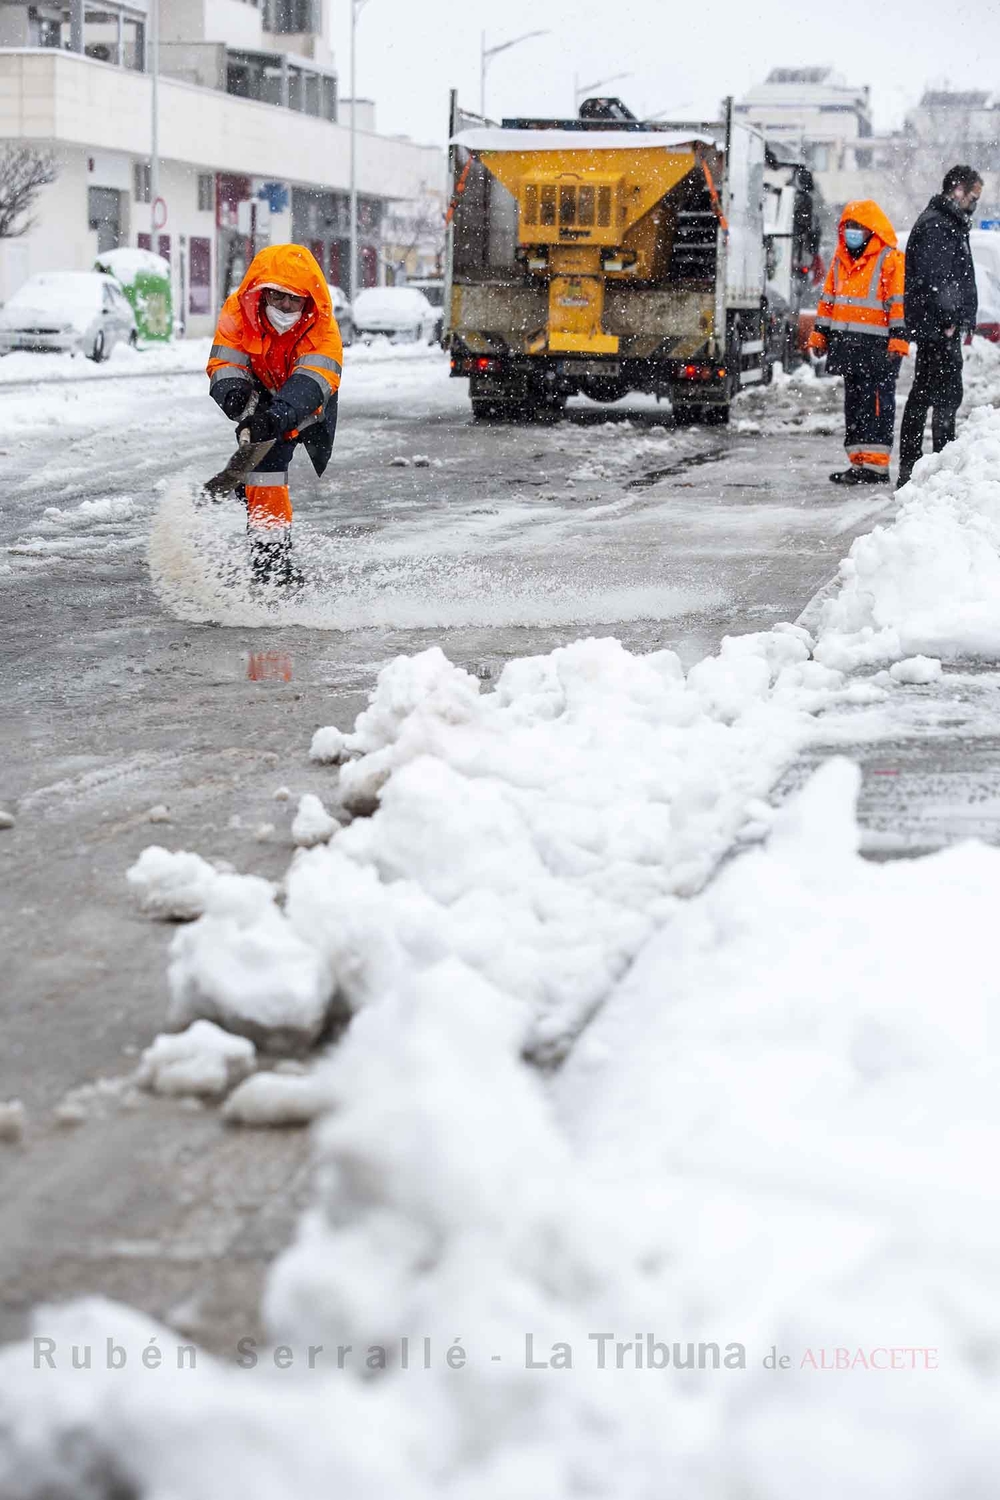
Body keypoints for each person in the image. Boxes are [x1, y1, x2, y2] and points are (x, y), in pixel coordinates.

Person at [207, 244, 343, 585]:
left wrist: (277, 417)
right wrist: (236, 397)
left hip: (305, 403)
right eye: (278, 296)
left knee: (265, 464)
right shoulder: (238, 312)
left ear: (308, 300)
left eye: (294, 299)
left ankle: (272, 564)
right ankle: (271, 564)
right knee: (265, 471)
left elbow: (311, 383)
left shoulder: (322, 329)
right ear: (262, 292)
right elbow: (226, 363)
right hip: (259, 391)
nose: (285, 306)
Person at [808, 200, 909, 484]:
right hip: (848, 345)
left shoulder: (890, 260)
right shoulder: (840, 261)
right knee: (854, 405)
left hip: (878, 348)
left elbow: (898, 305)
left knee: (876, 404)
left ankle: (876, 467)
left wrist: (899, 340)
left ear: (871, 230)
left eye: (857, 227)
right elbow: (828, 301)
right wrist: (819, 335)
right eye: (848, 226)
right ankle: (859, 462)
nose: (851, 232)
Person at [897, 165, 981, 489]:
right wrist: (948, 320)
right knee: (942, 396)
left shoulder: (945, 222)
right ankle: (932, 466)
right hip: (938, 328)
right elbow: (938, 278)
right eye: (973, 196)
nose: (974, 203)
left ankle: (916, 465)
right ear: (957, 190)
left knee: (927, 393)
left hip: (936, 326)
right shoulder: (938, 225)